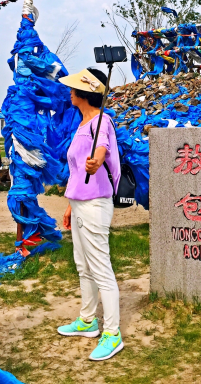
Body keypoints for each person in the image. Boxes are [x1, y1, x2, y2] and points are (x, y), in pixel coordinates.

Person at [56, 68, 123, 362]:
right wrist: (70, 205)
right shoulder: (84, 123)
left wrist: (95, 164)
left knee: (101, 268)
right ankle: (87, 321)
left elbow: (100, 152)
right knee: (83, 266)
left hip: (96, 204)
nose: (69, 93)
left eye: (73, 89)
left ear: (84, 93)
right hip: (81, 202)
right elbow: (75, 171)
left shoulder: (102, 121)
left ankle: (113, 332)